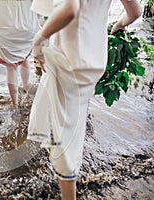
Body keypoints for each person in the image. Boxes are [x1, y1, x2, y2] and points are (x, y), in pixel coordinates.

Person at [27, 0, 142, 199]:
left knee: (67, 142)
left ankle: (67, 189)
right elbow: (135, 12)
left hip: (70, 59)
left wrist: (39, 40)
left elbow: (70, 9)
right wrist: (120, 24)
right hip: (94, 60)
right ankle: (61, 162)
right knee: (69, 123)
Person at [0, 0, 40, 105]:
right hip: (29, 23)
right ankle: (25, 90)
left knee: (11, 67)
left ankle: (15, 103)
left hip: (7, 24)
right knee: (25, 59)